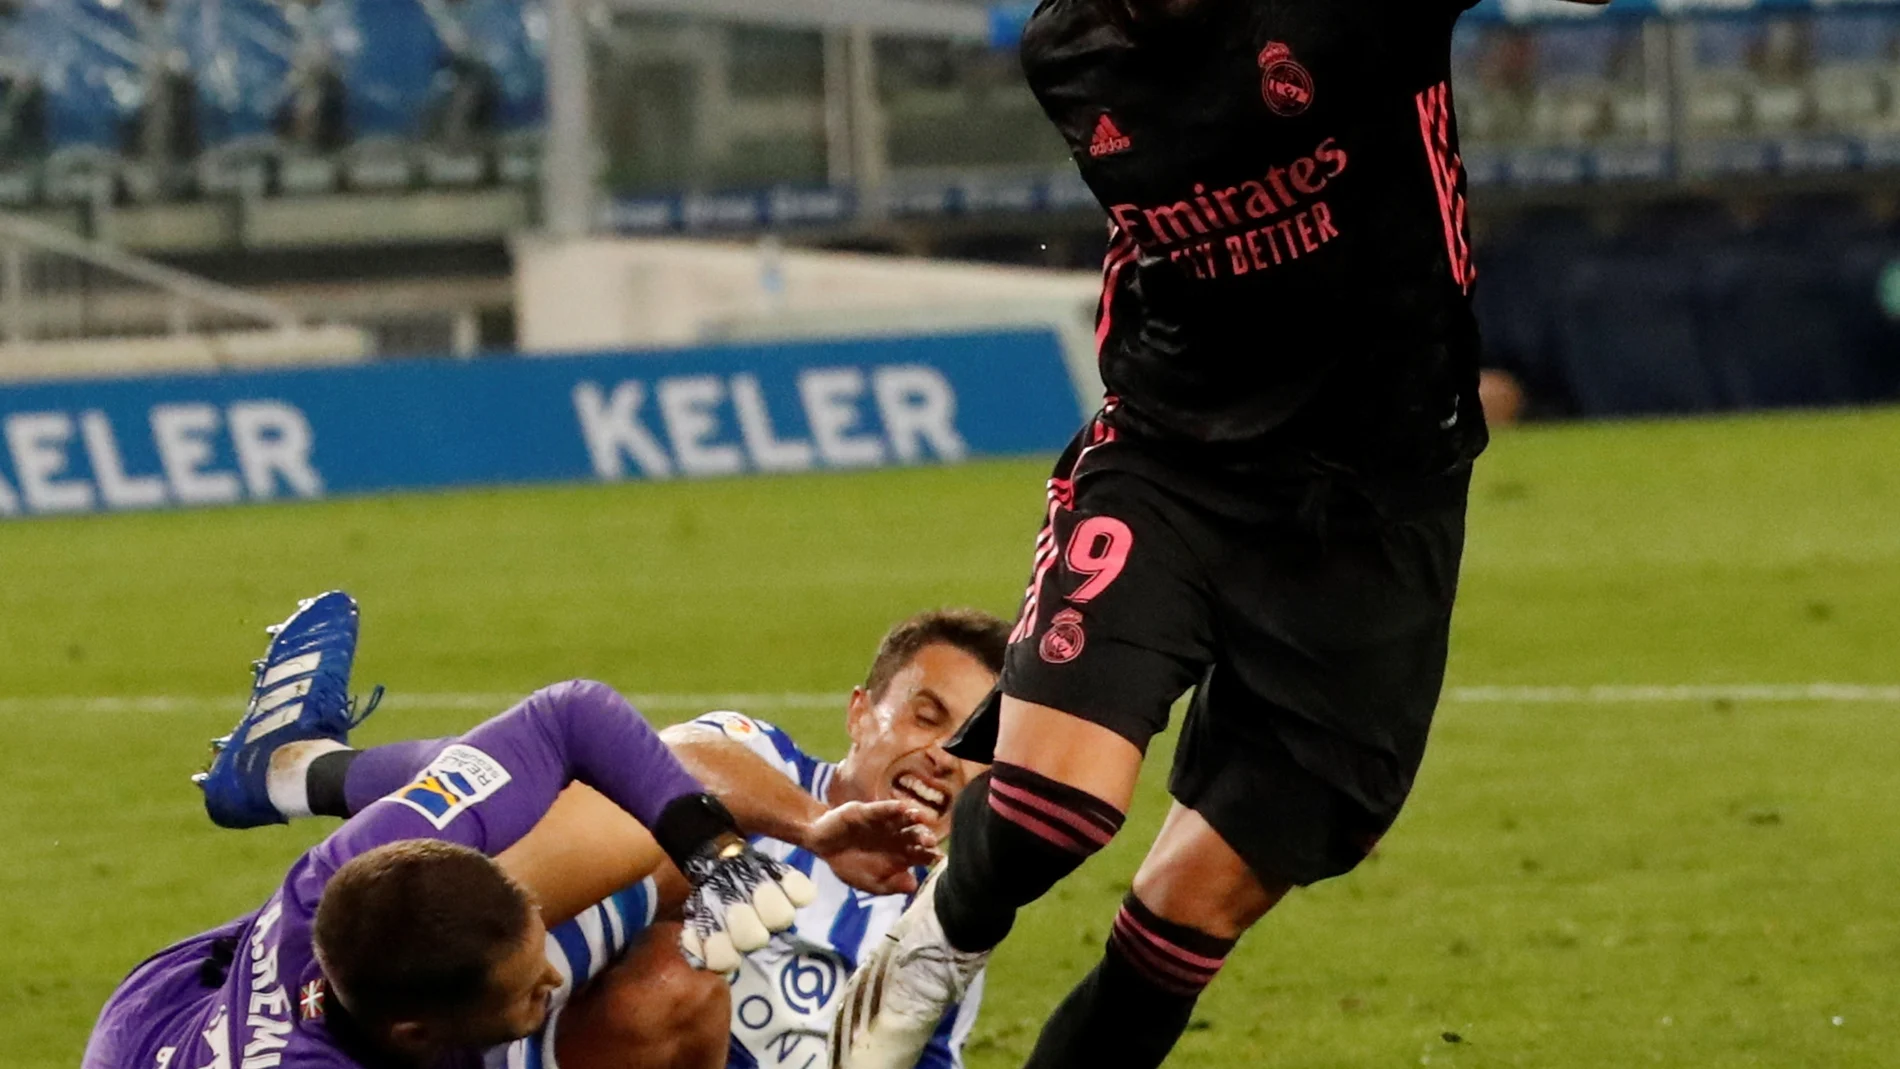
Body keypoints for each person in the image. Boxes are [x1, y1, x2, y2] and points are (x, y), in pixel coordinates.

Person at [829, 1, 1606, 1067]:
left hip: (1378, 510)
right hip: (1175, 458)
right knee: (1053, 808)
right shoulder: (1068, 53)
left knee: (1186, 910)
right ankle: (931, 946)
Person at [198, 595, 1008, 1069]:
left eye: (975, 746)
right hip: (517, 1031)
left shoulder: (945, 914)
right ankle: (303, 805)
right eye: (926, 716)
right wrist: (810, 825)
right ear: (861, 713)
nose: (942, 756)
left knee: (671, 959)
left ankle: (296, 778)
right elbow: (659, 763)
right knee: (643, 813)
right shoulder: (764, 760)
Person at [84, 592, 829, 1069]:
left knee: (617, 811)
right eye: (529, 988)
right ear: (416, 1032)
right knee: (666, 979)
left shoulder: (346, 876)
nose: (552, 977)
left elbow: (569, 716)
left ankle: (289, 769)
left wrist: (713, 849)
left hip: (179, 998)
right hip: (152, 1049)